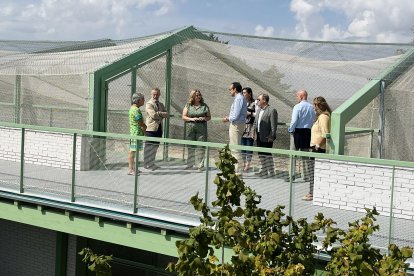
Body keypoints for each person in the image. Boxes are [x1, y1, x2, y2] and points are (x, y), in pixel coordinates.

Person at [303, 96, 331, 201]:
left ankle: (312, 194)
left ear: (319, 105)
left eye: (315, 105)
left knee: (313, 172)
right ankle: (313, 192)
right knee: (313, 172)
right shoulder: (322, 116)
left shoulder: (323, 117)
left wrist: (317, 146)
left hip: (317, 149)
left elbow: (325, 134)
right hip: (316, 147)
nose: (314, 108)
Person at [287, 89, 315, 181]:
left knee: (293, 154)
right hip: (307, 132)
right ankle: (306, 175)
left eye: (297, 96)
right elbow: (313, 120)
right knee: (305, 155)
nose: (296, 98)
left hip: (297, 132)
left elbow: (294, 120)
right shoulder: (312, 107)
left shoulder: (297, 107)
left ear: (301, 96)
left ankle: (291, 175)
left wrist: (291, 130)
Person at [182, 89, 211, 170]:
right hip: (190, 128)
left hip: (201, 129)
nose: (198, 96)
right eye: (196, 95)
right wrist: (192, 119)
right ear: (193, 96)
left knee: (201, 146)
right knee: (190, 146)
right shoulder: (188, 105)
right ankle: (190, 164)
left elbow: (209, 117)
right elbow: (183, 116)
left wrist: (204, 118)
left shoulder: (204, 106)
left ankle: (200, 165)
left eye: (199, 95)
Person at [222, 82, 247, 176]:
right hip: (239, 124)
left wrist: (228, 118)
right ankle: (237, 169)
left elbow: (235, 115)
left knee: (235, 148)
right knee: (235, 147)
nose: (230, 91)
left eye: (230, 89)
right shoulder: (240, 98)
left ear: (235, 89)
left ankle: (238, 170)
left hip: (236, 125)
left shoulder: (239, 98)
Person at [144, 88, 168, 171]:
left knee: (155, 146)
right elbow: (153, 115)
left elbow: (167, 114)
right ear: (151, 94)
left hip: (159, 128)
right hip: (150, 129)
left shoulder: (161, 104)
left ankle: (152, 163)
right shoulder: (149, 104)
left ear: (159, 94)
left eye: (157, 94)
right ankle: (146, 164)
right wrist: (161, 113)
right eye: (154, 94)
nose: (155, 96)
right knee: (148, 147)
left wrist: (159, 113)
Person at [254, 93, 278, 177]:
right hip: (258, 135)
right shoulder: (259, 110)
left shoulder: (272, 110)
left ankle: (271, 172)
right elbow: (256, 122)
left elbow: (273, 125)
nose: (257, 101)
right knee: (260, 154)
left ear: (264, 100)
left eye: (259, 99)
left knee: (267, 154)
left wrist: (272, 136)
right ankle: (264, 170)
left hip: (267, 137)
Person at [128, 93, 146, 175]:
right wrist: (144, 127)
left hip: (136, 132)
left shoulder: (133, 108)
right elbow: (140, 122)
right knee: (132, 151)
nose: (144, 101)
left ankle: (133, 168)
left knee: (134, 151)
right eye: (143, 99)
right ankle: (131, 169)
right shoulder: (136, 109)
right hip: (136, 133)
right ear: (138, 100)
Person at [241, 87, 255, 172]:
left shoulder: (254, 103)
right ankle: (243, 162)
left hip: (250, 127)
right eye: (242, 92)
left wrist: (248, 113)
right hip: (242, 126)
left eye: (245, 92)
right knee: (242, 146)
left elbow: (257, 114)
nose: (243, 94)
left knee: (249, 147)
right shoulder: (242, 103)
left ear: (249, 94)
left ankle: (248, 164)